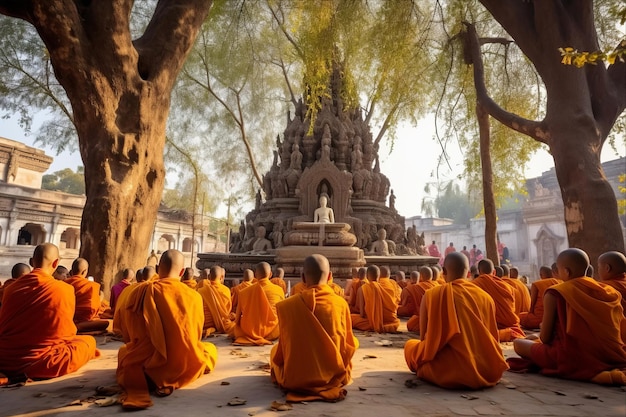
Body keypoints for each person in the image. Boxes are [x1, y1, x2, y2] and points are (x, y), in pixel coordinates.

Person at [114, 249, 217, 410]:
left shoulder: (140, 292)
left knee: (124, 351)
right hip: (183, 365)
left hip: (145, 366)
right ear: (182, 272)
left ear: (157, 268)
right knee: (209, 349)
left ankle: (152, 378)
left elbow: (129, 334)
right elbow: (195, 335)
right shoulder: (195, 297)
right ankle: (168, 380)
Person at [512, 248, 626, 385]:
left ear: (566, 271)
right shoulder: (609, 291)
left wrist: (544, 328)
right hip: (610, 354)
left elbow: (545, 338)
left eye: (559, 270)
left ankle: (593, 374)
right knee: (532, 338)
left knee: (518, 343)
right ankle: (598, 373)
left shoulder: (556, 292)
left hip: (571, 357)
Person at [404, 252, 509, 389]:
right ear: (469, 273)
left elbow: (425, 340)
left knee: (410, 346)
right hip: (486, 370)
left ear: (444, 271)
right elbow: (493, 338)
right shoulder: (486, 297)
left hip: (449, 371)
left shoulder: (432, 295)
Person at [0, 244, 99, 384]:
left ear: (31, 262)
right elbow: (67, 334)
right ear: (55, 263)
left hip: (5, 359)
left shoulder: (10, 289)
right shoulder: (64, 289)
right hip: (40, 362)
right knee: (88, 342)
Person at [271, 255, 358, 402]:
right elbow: (347, 345)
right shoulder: (340, 303)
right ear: (330, 276)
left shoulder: (287, 306)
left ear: (303, 277)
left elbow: (282, 352)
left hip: (296, 379)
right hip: (333, 377)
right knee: (353, 341)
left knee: (274, 352)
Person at [231, 262, 285, 345]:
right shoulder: (278, 290)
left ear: (255, 275)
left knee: (236, 329)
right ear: (270, 274)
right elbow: (282, 313)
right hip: (272, 331)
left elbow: (237, 319)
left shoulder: (244, 292)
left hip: (249, 331)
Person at [472, 259, 524, 342]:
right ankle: (504, 334)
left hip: (488, 328)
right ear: (494, 272)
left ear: (479, 271)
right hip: (510, 327)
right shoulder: (506, 286)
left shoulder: (473, 285)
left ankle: (496, 334)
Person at [64, 258, 109, 333]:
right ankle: (75, 327)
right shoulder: (92, 286)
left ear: (72, 271)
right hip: (82, 322)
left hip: (66, 320)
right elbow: (93, 309)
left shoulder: (63, 283)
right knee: (106, 323)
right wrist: (100, 298)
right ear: (84, 271)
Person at [351, 265, 400, 333]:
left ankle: (376, 325)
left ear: (367, 277)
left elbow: (362, 314)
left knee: (350, 318)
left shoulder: (363, 288)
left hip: (371, 322)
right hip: (390, 322)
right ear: (379, 276)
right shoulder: (388, 288)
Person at [197, 265, 234, 337]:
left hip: (205, 323)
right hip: (222, 323)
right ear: (221, 277)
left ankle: (211, 329)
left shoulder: (201, 291)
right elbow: (227, 311)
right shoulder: (226, 290)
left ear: (209, 276)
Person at [406, 267, 439, 333]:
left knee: (411, 324)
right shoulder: (439, 286)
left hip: (424, 319)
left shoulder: (415, 287)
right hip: (438, 320)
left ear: (421, 276)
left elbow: (410, 306)